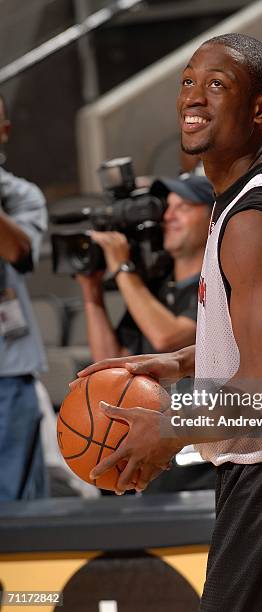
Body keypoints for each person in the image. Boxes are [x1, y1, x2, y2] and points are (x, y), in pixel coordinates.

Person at [76, 34, 262, 610]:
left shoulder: (255, 221)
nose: (195, 98)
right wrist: (181, 360)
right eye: (188, 82)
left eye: (218, 85)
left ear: (261, 108)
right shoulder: (258, 191)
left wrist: (167, 427)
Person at [77, 173, 215, 492]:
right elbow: (110, 366)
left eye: (183, 206)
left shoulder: (218, 281)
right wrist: (91, 291)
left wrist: (123, 269)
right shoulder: (151, 289)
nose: (168, 215)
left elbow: (169, 338)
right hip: (151, 464)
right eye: (166, 207)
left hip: (200, 470)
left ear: (212, 215)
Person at [0, 93, 48, 500]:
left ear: (4, 131)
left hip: (7, 373)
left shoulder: (22, 196)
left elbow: (18, 251)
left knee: (13, 507)